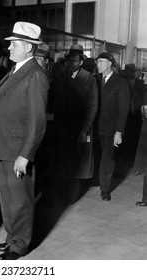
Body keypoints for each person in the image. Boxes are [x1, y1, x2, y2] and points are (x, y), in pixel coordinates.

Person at [0, 21, 48, 260]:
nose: (8, 48)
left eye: (14, 45)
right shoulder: (15, 70)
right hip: (3, 146)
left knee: (20, 200)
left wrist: (25, 154)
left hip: (17, 150)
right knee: (8, 198)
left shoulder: (35, 75)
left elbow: (37, 121)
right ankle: (12, 237)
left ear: (28, 48)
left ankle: (20, 245)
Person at [53, 44, 98, 204]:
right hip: (62, 127)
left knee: (76, 165)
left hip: (79, 127)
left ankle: (70, 198)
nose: (71, 63)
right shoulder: (61, 77)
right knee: (62, 162)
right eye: (69, 60)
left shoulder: (89, 79)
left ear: (80, 62)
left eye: (75, 61)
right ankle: (62, 195)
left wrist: (84, 130)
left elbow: (92, 106)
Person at [96, 52, 130, 201]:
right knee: (97, 157)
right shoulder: (95, 80)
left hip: (110, 129)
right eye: (98, 62)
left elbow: (123, 109)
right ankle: (95, 181)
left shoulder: (120, 82)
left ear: (110, 63)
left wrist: (119, 131)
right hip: (95, 127)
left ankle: (105, 189)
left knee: (107, 159)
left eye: (101, 62)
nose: (98, 65)